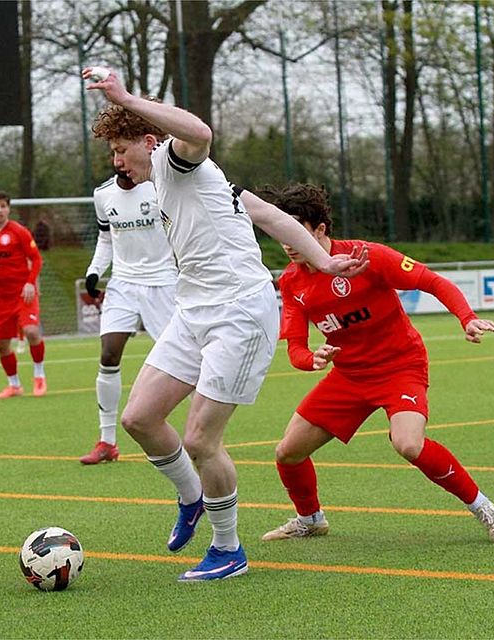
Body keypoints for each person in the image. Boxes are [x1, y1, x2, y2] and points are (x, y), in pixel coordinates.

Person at [84, 68, 367, 581]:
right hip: (193, 310)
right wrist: (321, 262)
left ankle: (228, 548)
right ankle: (192, 498)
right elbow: (274, 218)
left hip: (238, 313)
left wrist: (125, 97)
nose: (116, 162)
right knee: (140, 418)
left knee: (200, 440)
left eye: (120, 150)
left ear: (149, 141)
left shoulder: (177, 161)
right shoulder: (194, 184)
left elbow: (200, 134)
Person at [258, 183, 494, 544]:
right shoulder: (291, 282)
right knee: (288, 453)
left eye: (297, 228)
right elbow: (296, 348)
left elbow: (432, 280)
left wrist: (466, 317)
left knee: (408, 443)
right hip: (349, 376)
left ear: (320, 229)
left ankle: (487, 510)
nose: (287, 241)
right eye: (280, 230)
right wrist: (311, 358)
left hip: (400, 367)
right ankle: (310, 519)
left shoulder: (367, 256)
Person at [79, 172, 177, 465]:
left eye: (123, 151)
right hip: (122, 284)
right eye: (115, 152)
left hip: (163, 284)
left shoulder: (161, 188)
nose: (119, 159)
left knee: (182, 360)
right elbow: (105, 239)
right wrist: (95, 270)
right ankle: (107, 442)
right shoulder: (103, 193)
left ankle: (204, 431)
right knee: (109, 354)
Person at [0, 191, 48, 398]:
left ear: (8, 209)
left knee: (32, 332)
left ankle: (39, 376)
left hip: (23, 294)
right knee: (1, 344)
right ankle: (14, 385)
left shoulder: (19, 231)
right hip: (0, 297)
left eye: (3, 206)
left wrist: (29, 283)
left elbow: (36, 259)